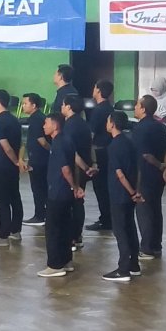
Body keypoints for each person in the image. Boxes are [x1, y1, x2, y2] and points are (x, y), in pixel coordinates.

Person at [102, 111, 142, 282]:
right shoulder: (130, 142)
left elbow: (120, 174)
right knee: (130, 228)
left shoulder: (114, 146)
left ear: (112, 124)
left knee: (120, 231)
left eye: (107, 121)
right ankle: (134, 265)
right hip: (130, 193)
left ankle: (123, 268)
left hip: (120, 193)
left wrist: (131, 191)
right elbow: (137, 169)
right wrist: (135, 191)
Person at [40, 113, 81, 277]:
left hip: (58, 192)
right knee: (65, 227)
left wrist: (73, 186)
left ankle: (55, 265)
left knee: (53, 229)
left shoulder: (58, 143)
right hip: (65, 193)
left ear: (55, 125)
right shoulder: (66, 139)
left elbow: (66, 169)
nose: (44, 126)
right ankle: (66, 260)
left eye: (46, 123)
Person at [134, 95, 166, 260]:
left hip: (145, 174)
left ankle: (147, 248)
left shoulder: (140, 128)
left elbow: (145, 154)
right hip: (158, 176)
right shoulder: (161, 127)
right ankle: (156, 245)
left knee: (144, 211)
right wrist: (165, 166)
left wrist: (158, 165)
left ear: (143, 108)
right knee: (156, 209)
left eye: (137, 105)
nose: (135, 107)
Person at [0, 89, 24, 242]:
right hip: (11, 167)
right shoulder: (13, 119)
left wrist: (15, 160)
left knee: (2, 200)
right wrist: (18, 161)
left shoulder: (0, 121)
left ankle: (3, 232)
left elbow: (6, 146)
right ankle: (16, 230)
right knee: (14, 196)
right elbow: (20, 143)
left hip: (2, 165)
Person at [62, 95, 94, 250]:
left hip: (75, 170)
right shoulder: (83, 124)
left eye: (63, 105)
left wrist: (83, 169)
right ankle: (77, 236)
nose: (62, 107)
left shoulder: (70, 126)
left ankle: (73, 238)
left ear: (68, 107)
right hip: (83, 169)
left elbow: (73, 153)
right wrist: (90, 165)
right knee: (78, 203)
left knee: (73, 203)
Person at [87, 80, 115, 232]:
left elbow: (91, 133)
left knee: (101, 188)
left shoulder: (98, 111)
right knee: (104, 187)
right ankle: (107, 218)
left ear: (98, 90)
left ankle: (106, 219)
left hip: (99, 152)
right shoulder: (109, 107)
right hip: (107, 150)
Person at [19, 93, 50, 227]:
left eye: (25, 103)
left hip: (39, 159)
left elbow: (42, 141)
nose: (23, 106)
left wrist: (52, 151)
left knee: (38, 188)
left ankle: (40, 216)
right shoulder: (36, 118)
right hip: (39, 158)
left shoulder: (37, 119)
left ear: (34, 105)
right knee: (41, 187)